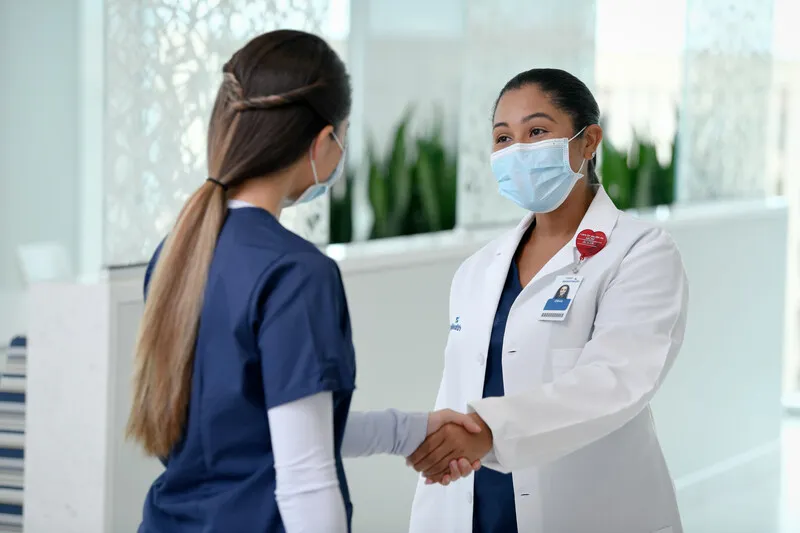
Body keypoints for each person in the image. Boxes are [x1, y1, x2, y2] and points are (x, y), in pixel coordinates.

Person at [126, 30, 478, 533]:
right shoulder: (296, 272)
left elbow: (262, 434)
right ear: (322, 142)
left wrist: (412, 430)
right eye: (344, 135)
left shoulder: (177, 253)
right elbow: (305, 478)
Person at [406, 68, 689, 533]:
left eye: (536, 132)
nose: (517, 150)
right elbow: (455, 389)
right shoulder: (478, 269)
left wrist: (492, 429)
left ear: (588, 141)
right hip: (474, 506)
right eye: (503, 138)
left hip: (588, 509)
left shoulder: (640, 251)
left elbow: (616, 380)